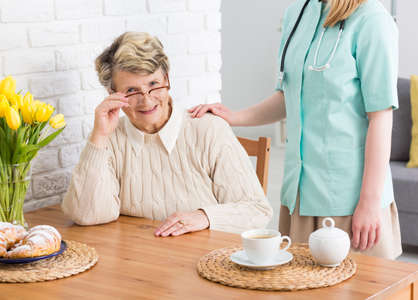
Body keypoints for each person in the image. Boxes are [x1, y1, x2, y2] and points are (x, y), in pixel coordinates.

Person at [190, 0, 402, 259]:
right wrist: (234, 116)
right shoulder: (298, 15)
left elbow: (381, 118)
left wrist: (369, 203)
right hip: (299, 196)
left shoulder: (372, 20)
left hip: (350, 200)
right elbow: (289, 97)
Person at [62, 32, 273, 237]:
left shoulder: (209, 130)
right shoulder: (111, 136)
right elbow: (87, 215)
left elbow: (256, 210)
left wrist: (204, 216)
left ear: (167, 79)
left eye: (153, 84)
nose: (147, 100)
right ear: (113, 95)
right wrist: (99, 137)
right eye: (132, 91)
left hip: (206, 261)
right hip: (140, 263)